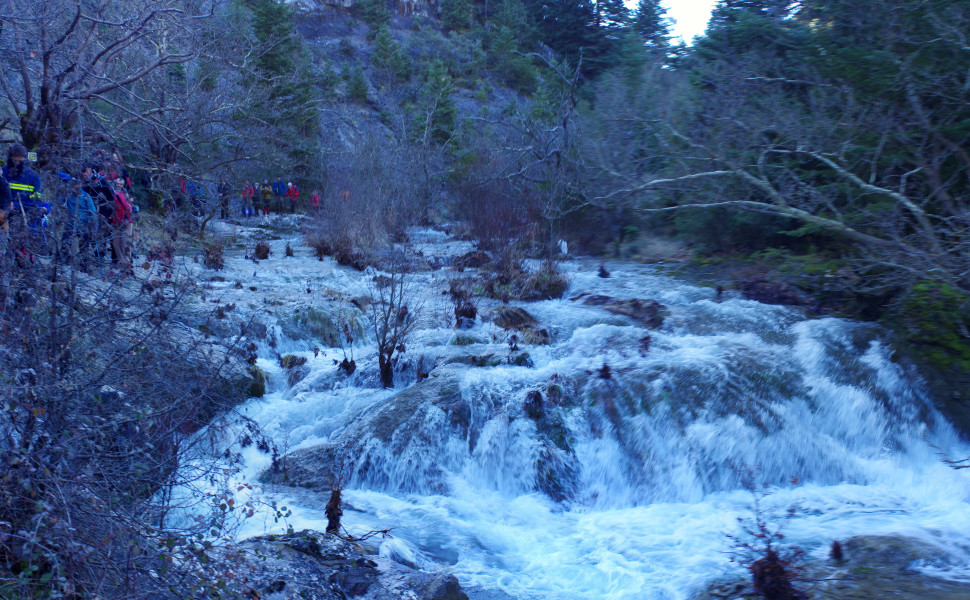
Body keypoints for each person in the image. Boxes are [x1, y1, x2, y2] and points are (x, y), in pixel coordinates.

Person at [2, 144, 47, 260]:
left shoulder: (33, 177)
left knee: (22, 256)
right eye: (14, 161)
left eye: (20, 161)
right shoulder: (2, 173)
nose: (17, 164)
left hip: (25, 221)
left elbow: (37, 204)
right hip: (3, 220)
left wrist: (15, 206)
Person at [60, 176, 97, 269]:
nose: (75, 186)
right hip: (70, 225)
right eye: (73, 184)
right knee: (65, 245)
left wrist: (93, 226)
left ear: (80, 184)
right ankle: (63, 264)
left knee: (84, 248)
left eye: (77, 184)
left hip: (83, 226)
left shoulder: (86, 197)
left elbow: (92, 212)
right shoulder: (67, 195)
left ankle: (84, 267)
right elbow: (57, 203)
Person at [111, 178, 134, 272]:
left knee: (126, 240)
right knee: (116, 241)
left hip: (126, 220)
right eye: (117, 183)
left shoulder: (124, 193)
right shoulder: (111, 193)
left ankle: (127, 261)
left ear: (123, 185)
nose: (119, 185)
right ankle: (120, 261)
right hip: (116, 220)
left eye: (120, 184)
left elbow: (128, 206)